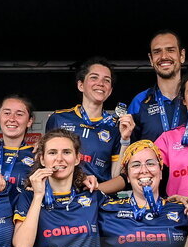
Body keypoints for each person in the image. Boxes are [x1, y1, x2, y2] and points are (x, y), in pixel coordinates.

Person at [45, 57, 130, 187]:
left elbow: (116, 176)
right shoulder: (58, 118)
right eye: (94, 77)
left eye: (107, 80)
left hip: (97, 195)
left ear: (110, 91)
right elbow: (46, 161)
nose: (100, 83)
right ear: (81, 85)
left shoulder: (116, 126)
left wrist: (125, 140)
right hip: (62, 193)